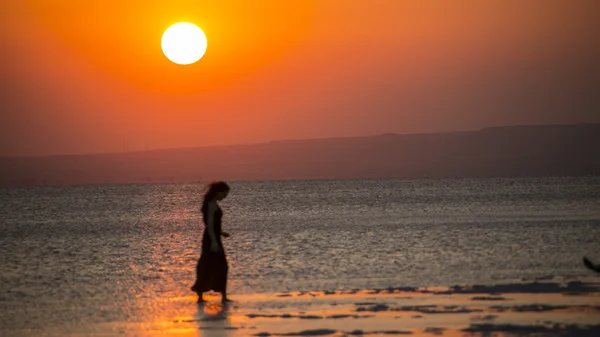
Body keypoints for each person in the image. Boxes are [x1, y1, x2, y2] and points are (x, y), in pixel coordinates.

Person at [191, 181, 232, 303]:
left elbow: (214, 225)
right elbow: (209, 225)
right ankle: (202, 296)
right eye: (224, 194)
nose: (225, 197)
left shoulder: (213, 204)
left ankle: (222, 296)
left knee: (218, 266)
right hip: (211, 239)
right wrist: (214, 241)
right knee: (209, 265)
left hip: (214, 237)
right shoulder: (211, 204)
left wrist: (221, 233)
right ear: (218, 192)